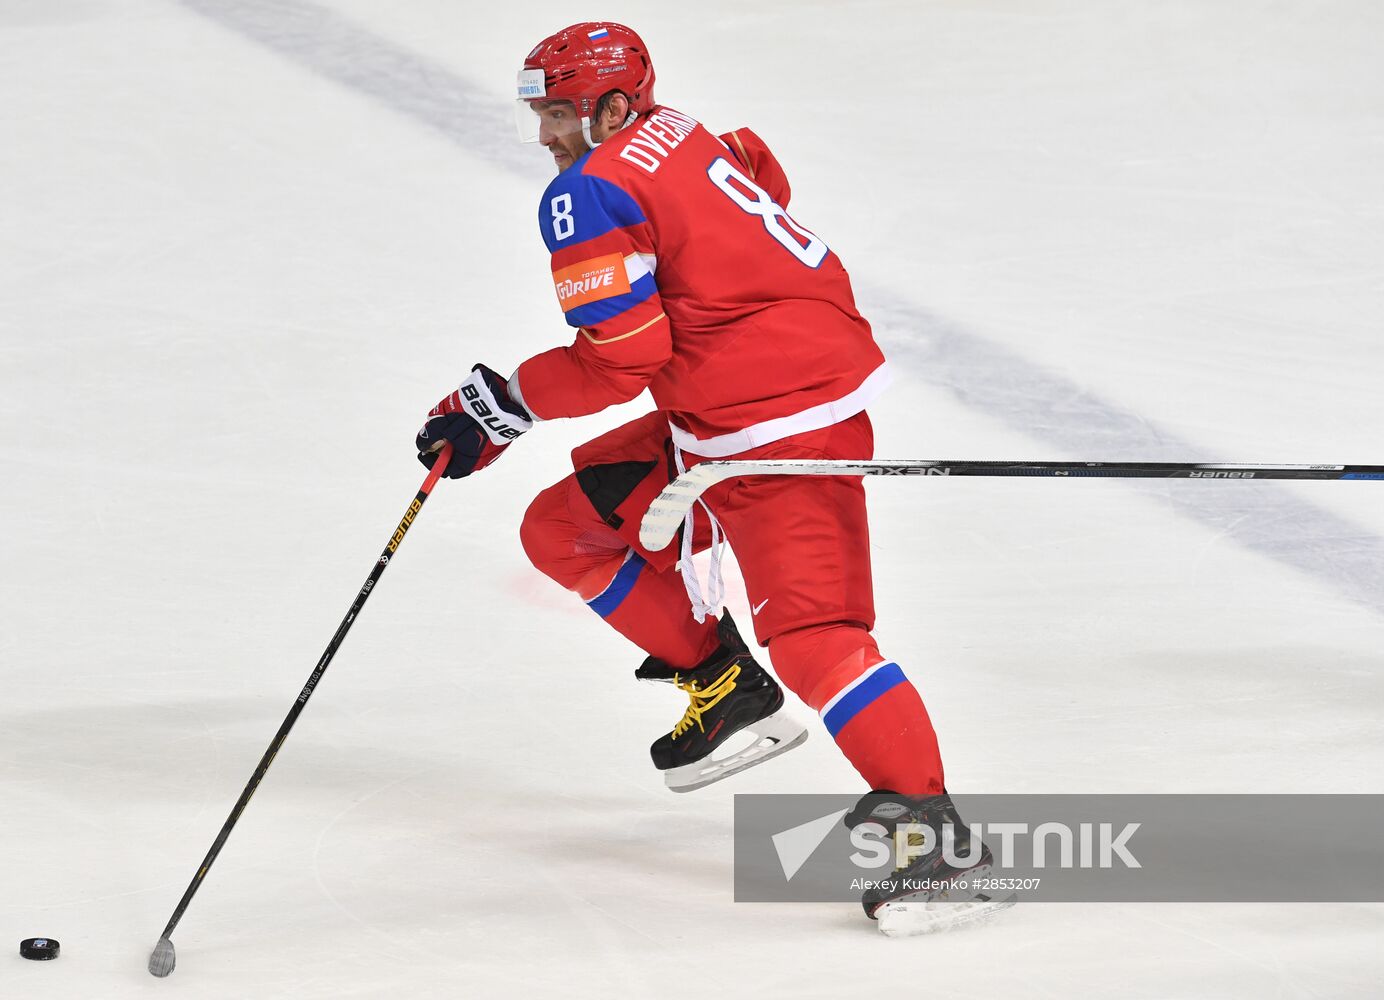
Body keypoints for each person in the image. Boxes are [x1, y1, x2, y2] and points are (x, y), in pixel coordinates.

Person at [415, 21, 1006, 929]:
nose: (545, 136)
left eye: (560, 115)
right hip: (731, 414)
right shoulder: (677, 130)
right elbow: (759, 172)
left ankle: (940, 841)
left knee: (817, 637)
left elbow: (624, 358)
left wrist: (503, 402)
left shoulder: (590, 191)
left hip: (775, 435)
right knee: (562, 528)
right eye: (540, 114)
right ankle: (726, 685)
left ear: (614, 107)